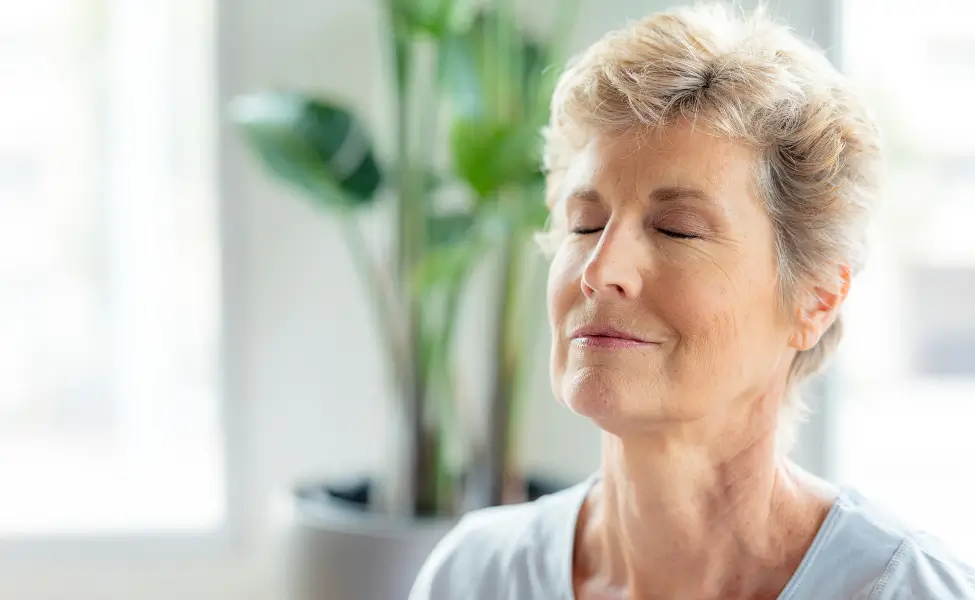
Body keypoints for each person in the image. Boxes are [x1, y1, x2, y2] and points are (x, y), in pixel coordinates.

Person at [409, 4, 975, 599]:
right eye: (584, 224)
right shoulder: (473, 577)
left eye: (677, 229)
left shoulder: (908, 590)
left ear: (815, 299)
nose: (601, 270)